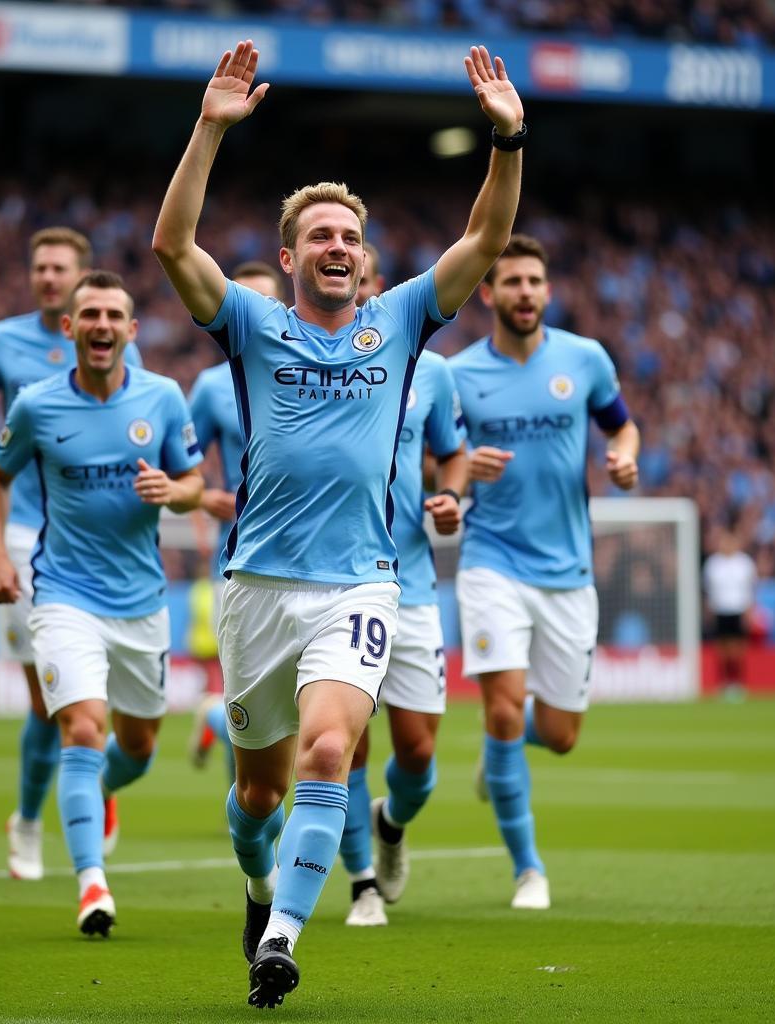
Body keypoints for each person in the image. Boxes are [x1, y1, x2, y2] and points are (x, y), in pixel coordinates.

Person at [152, 39, 523, 1007]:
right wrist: (208, 129)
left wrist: (506, 139)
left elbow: (483, 244)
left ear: (365, 254)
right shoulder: (249, 324)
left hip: (360, 583)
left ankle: (280, 939)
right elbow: (171, 248)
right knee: (257, 798)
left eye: (348, 236)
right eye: (318, 235)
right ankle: (254, 878)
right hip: (256, 591)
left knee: (329, 753)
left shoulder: (400, 320)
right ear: (289, 256)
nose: (336, 246)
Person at [0, 228, 142, 881]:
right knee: (50, 701)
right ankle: (33, 821)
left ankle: (89, 789)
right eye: (38, 267)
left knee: (111, 708)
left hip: (97, 545)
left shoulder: (115, 339)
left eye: (59, 267)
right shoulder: (8, 341)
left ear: (82, 277)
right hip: (25, 539)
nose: (46, 277)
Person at [0, 270, 203, 935]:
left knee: (136, 749)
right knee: (80, 728)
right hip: (63, 596)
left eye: (114, 314)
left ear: (131, 331)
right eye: (90, 315)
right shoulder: (36, 405)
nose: (102, 324)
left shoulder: (162, 398)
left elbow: (195, 482)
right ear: (70, 328)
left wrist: (175, 490)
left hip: (141, 603)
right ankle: (91, 885)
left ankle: (101, 790)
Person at [448, 234, 640, 911]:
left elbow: (621, 427)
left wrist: (622, 456)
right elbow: (428, 460)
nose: (524, 292)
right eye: (512, 282)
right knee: (503, 710)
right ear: (490, 293)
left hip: (569, 571)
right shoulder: (459, 374)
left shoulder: (584, 360)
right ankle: (529, 870)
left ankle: (501, 749)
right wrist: (460, 468)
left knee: (559, 735)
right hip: (491, 561)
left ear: (547, 292)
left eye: (534, 281)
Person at [340, 243, 468, 928]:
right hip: (339, 583)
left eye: (365, 276)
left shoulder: (433, 372)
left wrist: (450, 497)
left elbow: (451, 455)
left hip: (412, 584)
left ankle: (392, 825)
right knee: (346, 744)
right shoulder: (309, 362)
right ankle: (361, 880)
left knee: (418, 754)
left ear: (382, 287)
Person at [187, 261, 285, 781]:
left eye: (265, 302)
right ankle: (247, 818)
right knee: (247, 695)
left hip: (313, 560)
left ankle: (209, 716)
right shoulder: (209, 387)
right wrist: (208, 497)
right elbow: (174, 466)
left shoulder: (311, 369)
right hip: (240, 558)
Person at [702, 529, 756, 700]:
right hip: (720, 610)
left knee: (737, 650)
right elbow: (708, 591)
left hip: (738, 610)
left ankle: (737, 683)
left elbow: (750, 590)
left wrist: (749, 612)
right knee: (722, 650)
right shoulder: (713, 564)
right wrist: (708, 611)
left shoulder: (745, 563)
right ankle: (724, 683)